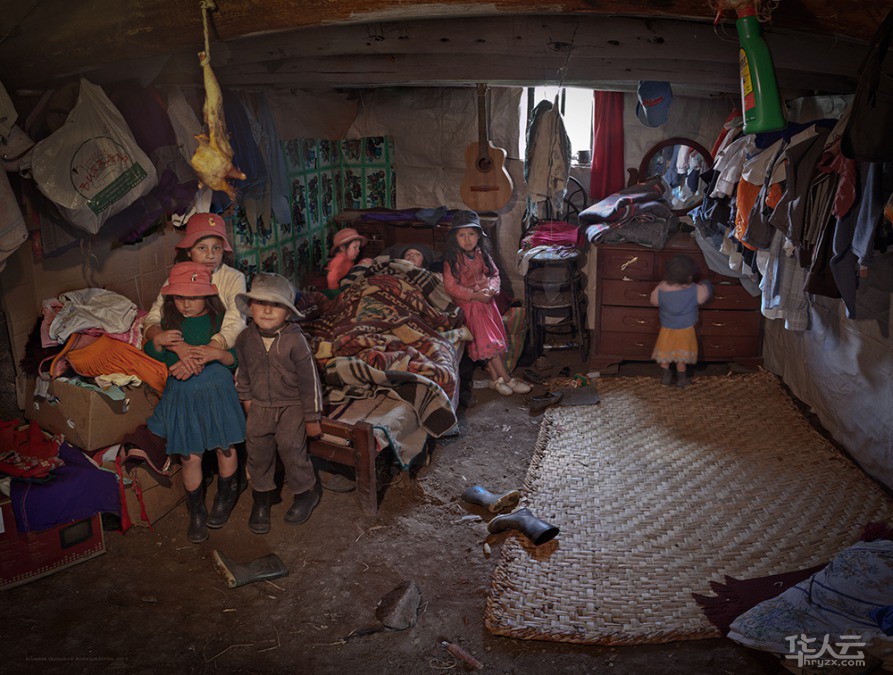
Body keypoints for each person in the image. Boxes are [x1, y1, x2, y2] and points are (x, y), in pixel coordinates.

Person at [143, 262, 246, 544]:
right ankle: (197, 512)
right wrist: (159, 341)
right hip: (184, 398)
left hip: (218, 394)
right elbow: (152, 353)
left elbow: (235, 357)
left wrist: (214, 355)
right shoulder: (169, 325)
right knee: (190, 456)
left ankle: (225, 498)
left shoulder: (220, 322)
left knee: (225, 447)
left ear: (208, 295)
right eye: (179, 297)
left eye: (194, 296)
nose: (186, 304)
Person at [234, 273, 324, 533]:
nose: (267, 310)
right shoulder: (245, 338)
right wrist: (246, 398)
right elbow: (243, 372)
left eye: (276, 304)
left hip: (291, 405)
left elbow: (310, 382)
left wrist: (312, 418)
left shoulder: (295, 340)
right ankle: (262, 497)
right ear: (250, 306)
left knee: (291, 447)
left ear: (287, 312)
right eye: (260, 302)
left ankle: (305, 492)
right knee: (257, 451)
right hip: (260, 405)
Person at [143, 213, 247, 379]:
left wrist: (201, 356)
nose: (210, 255)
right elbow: (152, 319)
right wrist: (179, 347)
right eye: (202, 248)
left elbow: (236, 322)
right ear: (189, 251)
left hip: (216, 349)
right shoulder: (177, 276)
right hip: (186, 344)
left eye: (216, 248)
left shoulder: (234, 278)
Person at [443, 210, 531, 397]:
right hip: (470, 305)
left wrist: (492, 289)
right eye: (461, 235)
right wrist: (474, 296)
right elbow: (451, 287)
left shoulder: (481, 254)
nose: (467, 239)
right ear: (455, 238)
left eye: (471, 234)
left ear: (478, 236)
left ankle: (494, 379)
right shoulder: (453, 260)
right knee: (488, 342)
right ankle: (506, 378)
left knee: (489, 342)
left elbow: (494, 275)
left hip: (487, 303)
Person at [649, 254, 712, 388]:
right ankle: (682, 380)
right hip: (685, 329)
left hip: (667, 328)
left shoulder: (662, 287)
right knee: (681, 357)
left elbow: (654, 301)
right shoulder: (695, 289)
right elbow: (703, 297)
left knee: (665, 353)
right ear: (689, 276)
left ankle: (666, 378)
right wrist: (706, 284)